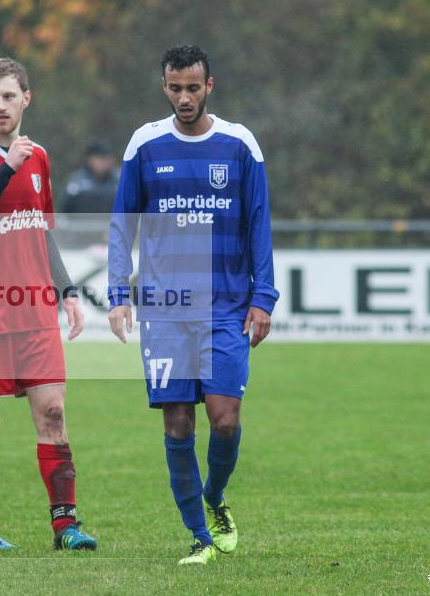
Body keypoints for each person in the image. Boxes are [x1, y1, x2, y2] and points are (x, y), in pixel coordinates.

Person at [107, 45, 278, 566]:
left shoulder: (239, 144)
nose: (184, 97)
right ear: (165, 87)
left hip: (225, 305)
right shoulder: (146, 143)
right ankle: (199, 535)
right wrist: (118, 294)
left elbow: (259, 224)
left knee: (224, 419)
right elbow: (123, 224)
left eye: (193, 87)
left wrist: (263, 297)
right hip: (164, 308)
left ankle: (214, 497)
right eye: (175, 88)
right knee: (178, 422)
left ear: (210, 86)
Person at [0, 57, 97, 551]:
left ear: (26, 98)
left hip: (34, 313)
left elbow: (41, 229)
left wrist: (67, 291)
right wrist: (6, 169)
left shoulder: (40, 157)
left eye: (10, 96)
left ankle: (66, 526)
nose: (1, 105)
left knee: (52, 412)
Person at [60, 141, 120, 214]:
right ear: (90, 160)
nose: (103, 162)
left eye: (106, 158)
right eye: (99, 158)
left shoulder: (119, 180)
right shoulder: (76, 182)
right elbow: (64, 210)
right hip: (82, 224)